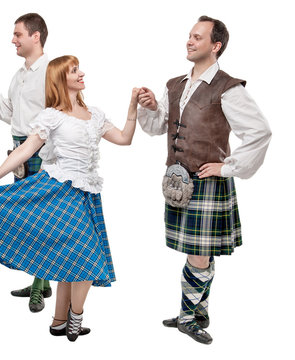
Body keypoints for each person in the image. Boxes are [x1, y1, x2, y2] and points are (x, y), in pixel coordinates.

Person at [0, 55, 139, 341]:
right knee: (86, 260)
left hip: (87, 195)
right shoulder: (52, 115)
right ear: (61, 80)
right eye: (74, 71)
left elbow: (124, 138)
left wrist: (133, 107)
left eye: (79, 68)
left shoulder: (94, 114)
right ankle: (74, 320)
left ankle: (59, 321)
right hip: (60, 192)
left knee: (72, 260)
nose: (81, 73)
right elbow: (24, 151)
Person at [137, 16, 272, 344]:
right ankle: (200, 309)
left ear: (216, 46)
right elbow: (157, 128)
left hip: (207, 182)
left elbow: (260, 131)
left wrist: (227, 168)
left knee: (198, 254)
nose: (189, 41)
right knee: (203, 252)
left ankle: (186, 317)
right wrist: (153, 108)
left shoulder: (227, 87)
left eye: (198, 37)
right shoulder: (175, 85)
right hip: (177, 181)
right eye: (189, 35)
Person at [0, 13, 52, 312]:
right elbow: (13, 115)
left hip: (42, 152)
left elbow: (59, 115)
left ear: (36, 36)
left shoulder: (51, 71)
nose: (13, 40)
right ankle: (42, 281)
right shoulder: (19, 75)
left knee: (40, 219)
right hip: (18, 152)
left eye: (18, 34)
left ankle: (37, 287)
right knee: (29, 218)